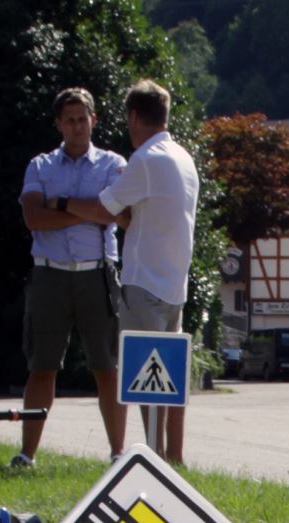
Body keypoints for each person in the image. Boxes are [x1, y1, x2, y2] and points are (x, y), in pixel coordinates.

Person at [66, 79, 200, 465]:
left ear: (135, 117)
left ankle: (153, 458)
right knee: (172, 379)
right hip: (176, 283)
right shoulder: (183, 158)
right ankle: (174, 456)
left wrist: (63, 205)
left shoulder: (146, 159)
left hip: (144, 281)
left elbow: (106, 209)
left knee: (145, 379)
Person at [13, 86, 127, 468]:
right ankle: (27, 455)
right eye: (70, 119)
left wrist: (59, 204)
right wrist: (90, 210)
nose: (78, 126)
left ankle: (117, 453)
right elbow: (33, 218)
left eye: (84, 118)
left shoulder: (112, 164)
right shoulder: (40, 166)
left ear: (94, 121)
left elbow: (114, 214)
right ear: (59, 124)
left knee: (107, 367)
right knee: (41, 367)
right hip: (50, 275)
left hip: (97, 274)